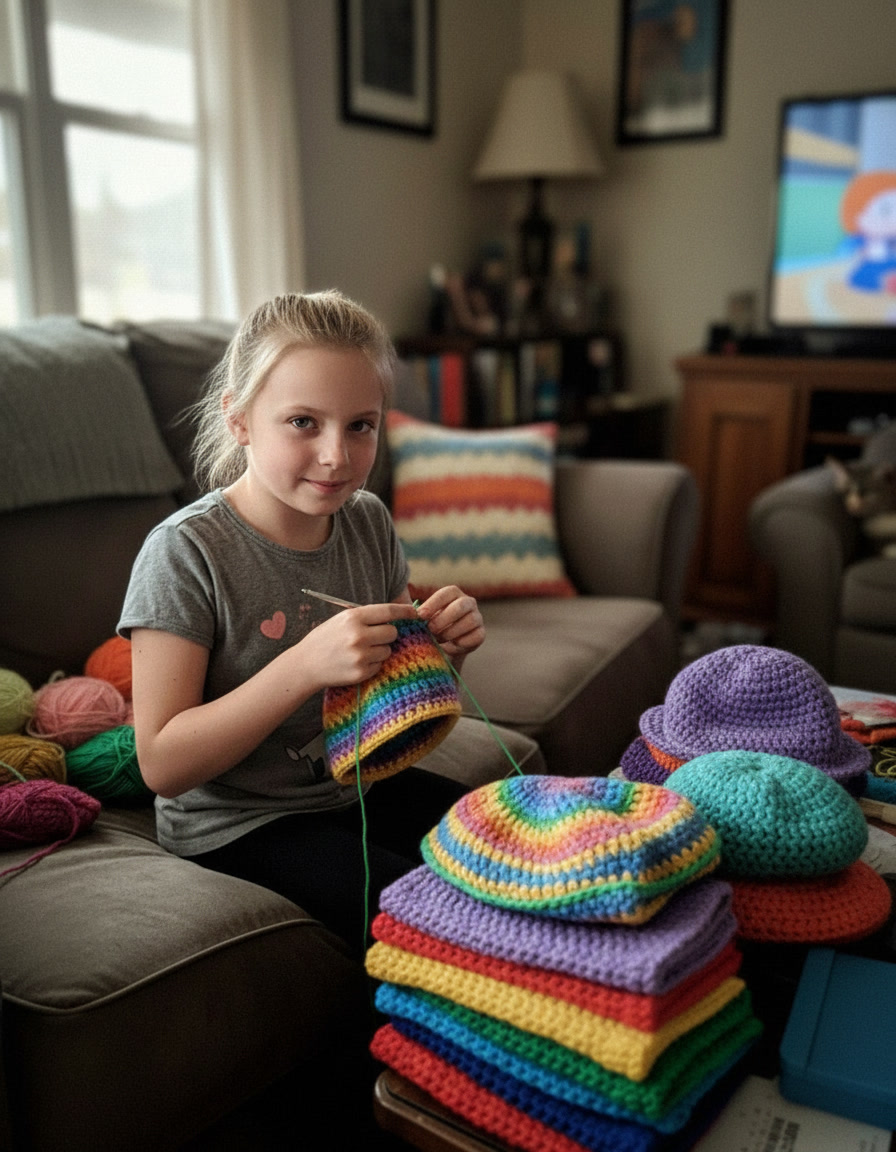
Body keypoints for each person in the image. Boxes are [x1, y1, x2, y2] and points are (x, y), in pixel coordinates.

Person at [118, 290, 485, 953]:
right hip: (236, 824)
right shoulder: (185, 552)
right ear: (239, 420)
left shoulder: (367, 521)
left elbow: (389, 703)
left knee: (517, 852)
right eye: (303, 423)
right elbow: (162, 764)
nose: (336, 457)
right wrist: (303, 666)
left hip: (356, 788)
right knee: (442, 922)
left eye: (360, 426)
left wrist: (443, 651)